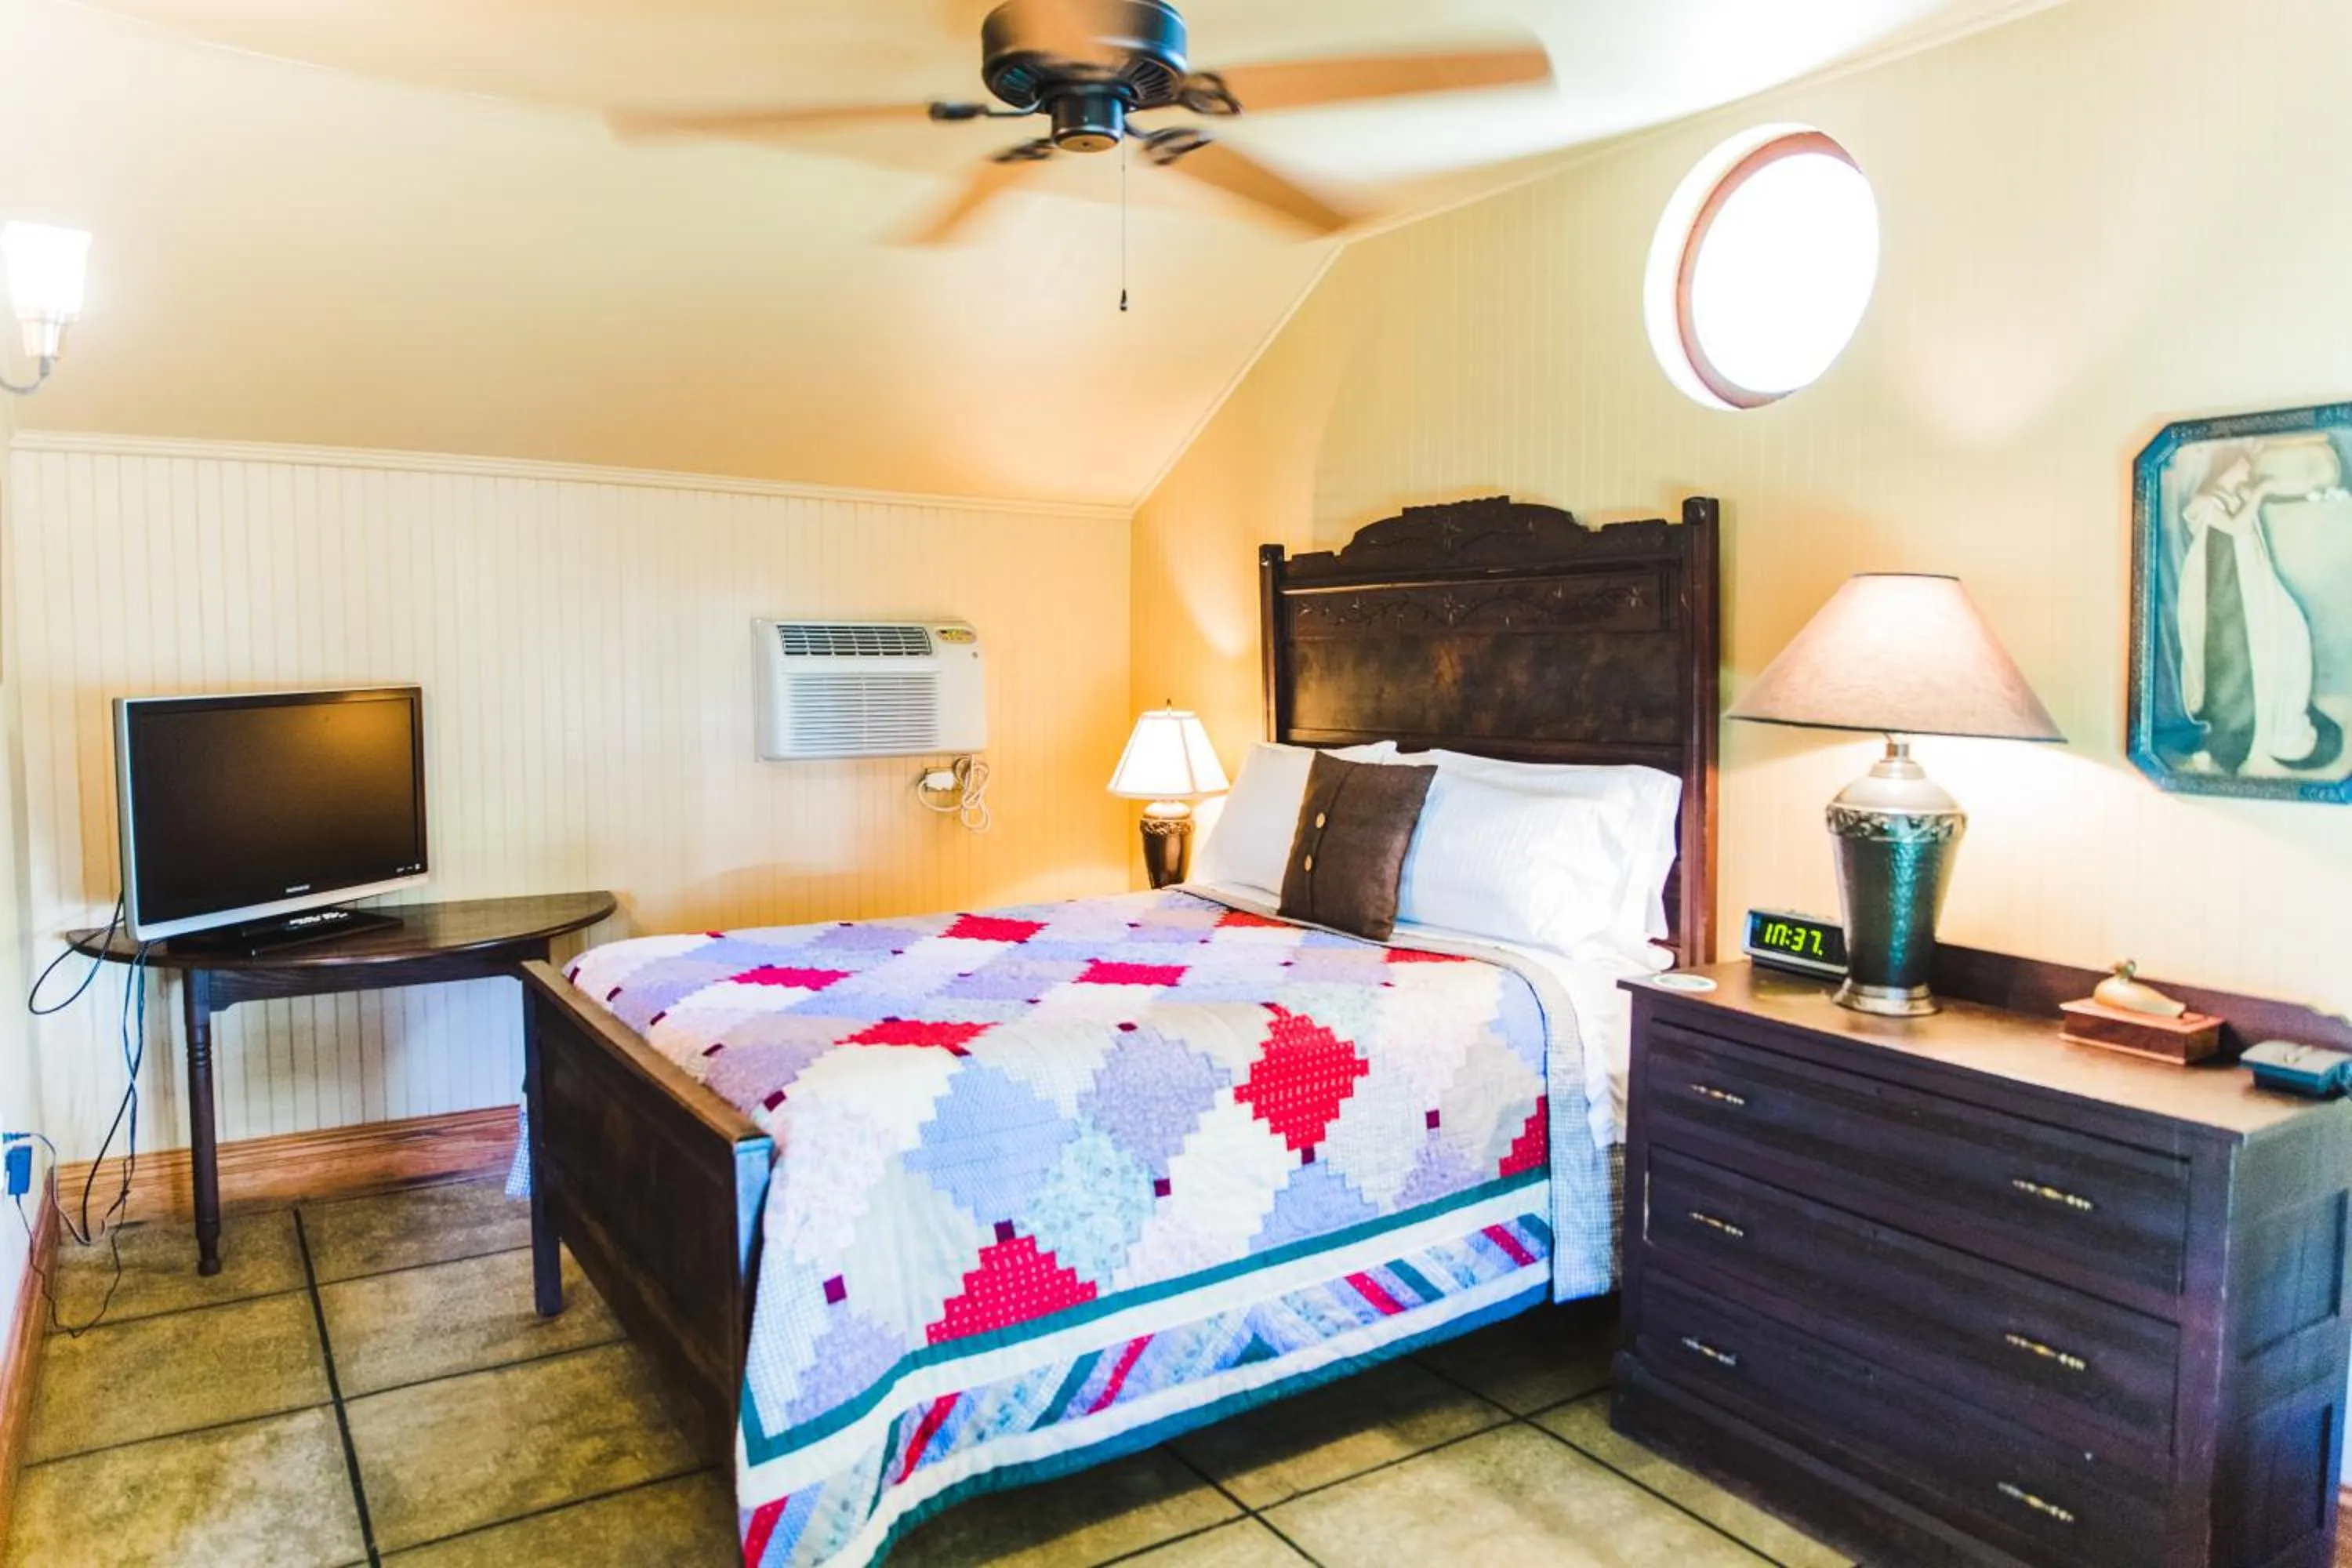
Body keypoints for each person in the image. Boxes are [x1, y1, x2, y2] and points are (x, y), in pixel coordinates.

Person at [2176, 437, 2344, 775]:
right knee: (2266, 654)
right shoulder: (2204, 502)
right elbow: (2236, 527)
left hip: (2250, 587)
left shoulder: (2234, 495)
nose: (2247, 472)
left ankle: (2284, 722)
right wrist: (2261, 490)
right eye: (2242, 465)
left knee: (2292, 636)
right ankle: (2269, 728)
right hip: (2227, 600)